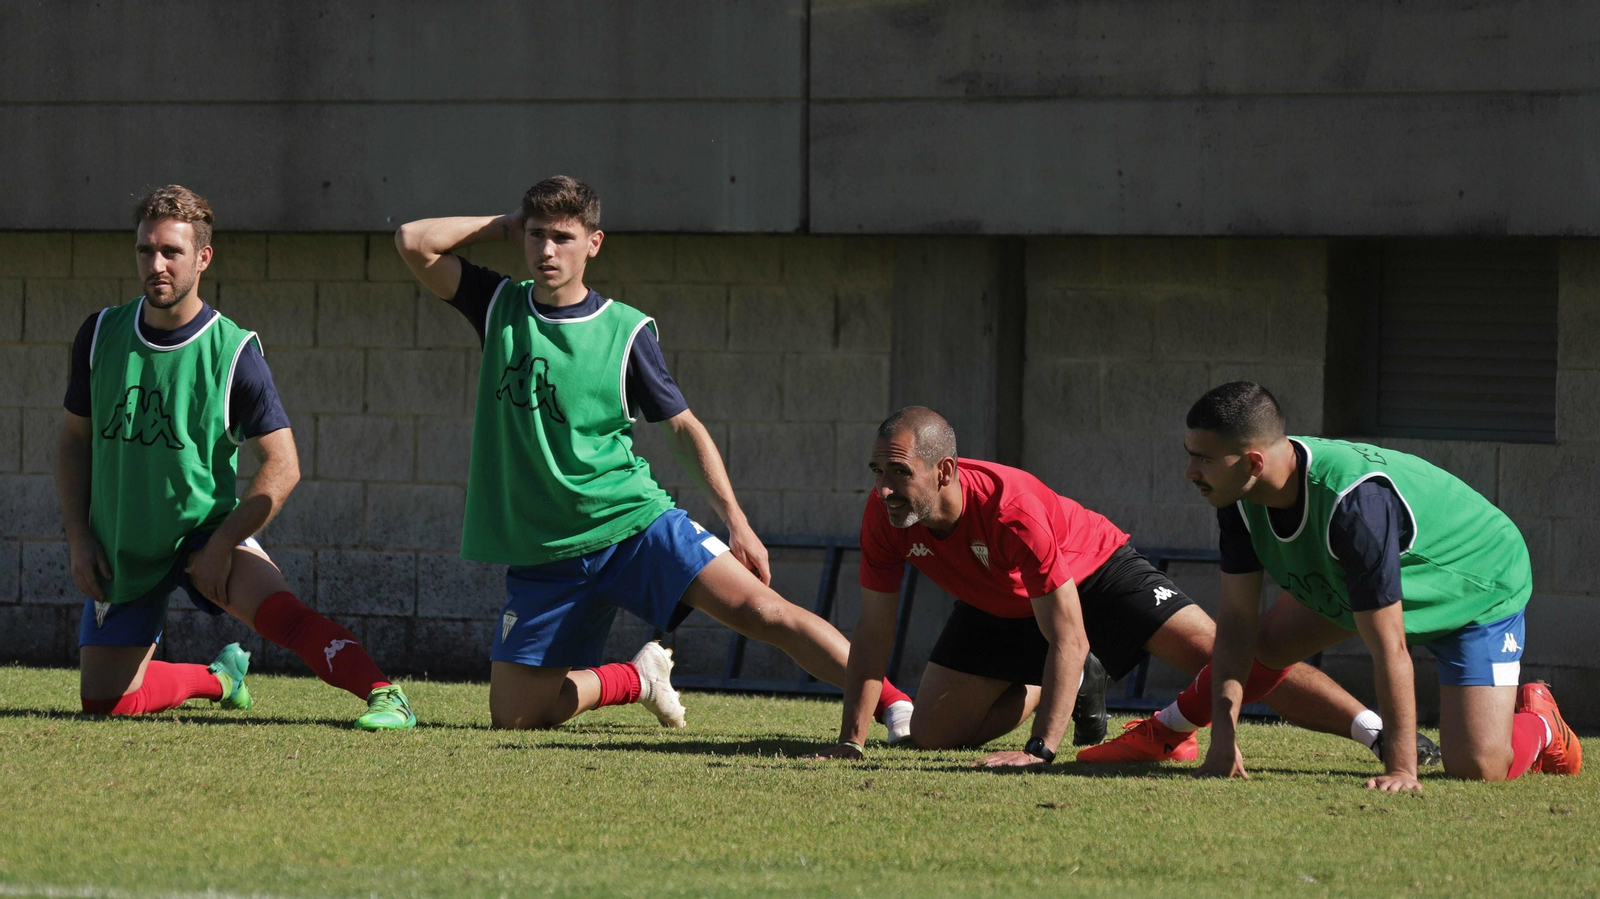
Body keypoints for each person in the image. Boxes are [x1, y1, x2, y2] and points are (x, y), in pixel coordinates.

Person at [392, 176, 914, 735]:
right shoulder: (498, 304)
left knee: (764, 612)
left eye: (563, 237)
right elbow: (413, 240)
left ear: (594, 243)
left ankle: (893, 703)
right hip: (546, 551)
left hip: (632, 526)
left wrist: (736, 522)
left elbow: (684, 427)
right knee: (515, 719)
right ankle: (637, 679)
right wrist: (504, 223)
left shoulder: (626, 330)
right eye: (536, 235)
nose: (547, 250)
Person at [816, 406, 1421, 769]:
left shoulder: (1011, 510)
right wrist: (851, 740)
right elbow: (873, 632)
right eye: (877, 472)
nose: (885, 489)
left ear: (945, 470)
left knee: (1226, 656)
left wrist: (1040, 750)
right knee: (931, 736)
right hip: (997, 604)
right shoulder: (885, 517)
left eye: (899, 473)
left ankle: (1378, 730)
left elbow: (1070, 633)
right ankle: (1066, 684)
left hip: (1095, 574)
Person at [57, 185, 414, 729]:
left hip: (205, 532)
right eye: (145, 250)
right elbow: (72, 442)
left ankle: (385, 694)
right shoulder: (100, 333)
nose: (156, 264)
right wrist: (80, 539)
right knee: (105, 704)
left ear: (203, 258)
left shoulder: (234, 352)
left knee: (282, 615)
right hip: (123, 539)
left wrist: (223, 544)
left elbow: (283, 464)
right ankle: (221, 680)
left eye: (171, 252)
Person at [1174, 380, 1579, 790]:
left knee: (1477, 766)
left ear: (1254, 463)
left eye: (1203, 460)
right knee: (1264, 645)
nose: (1190, 472)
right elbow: (1237, 625)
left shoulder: (1355, 506)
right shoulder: (1237, 492)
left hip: (1477, 583)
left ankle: (1542, 723)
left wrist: (1402, 769)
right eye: (1190, 456)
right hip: (1363, 581)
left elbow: (1390, 646)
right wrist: (1222, 741)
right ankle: (1166, 729)